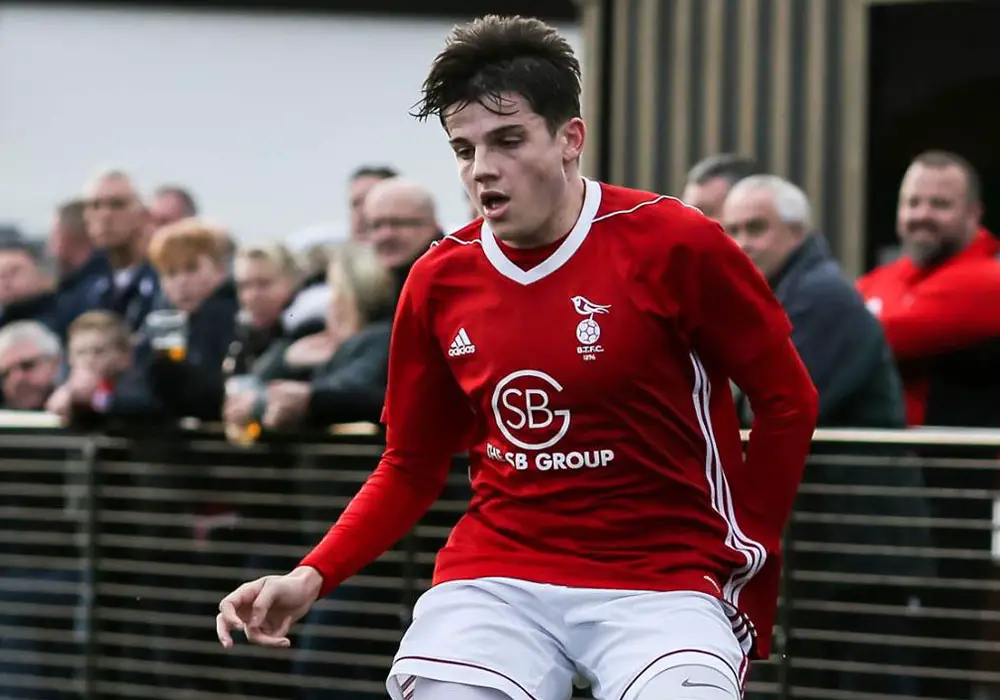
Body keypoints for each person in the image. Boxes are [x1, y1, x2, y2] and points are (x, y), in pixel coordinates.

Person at [216, 15, 819, 700]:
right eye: (463, 148)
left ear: (570, 139)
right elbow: (410, 465)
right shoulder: (438, 278)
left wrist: (750, 545)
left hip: (663, 580)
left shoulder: (674, 241)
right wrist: (312, 574)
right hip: (499, 577)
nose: (482, 169)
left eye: (507, 140)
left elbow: (788, 400)